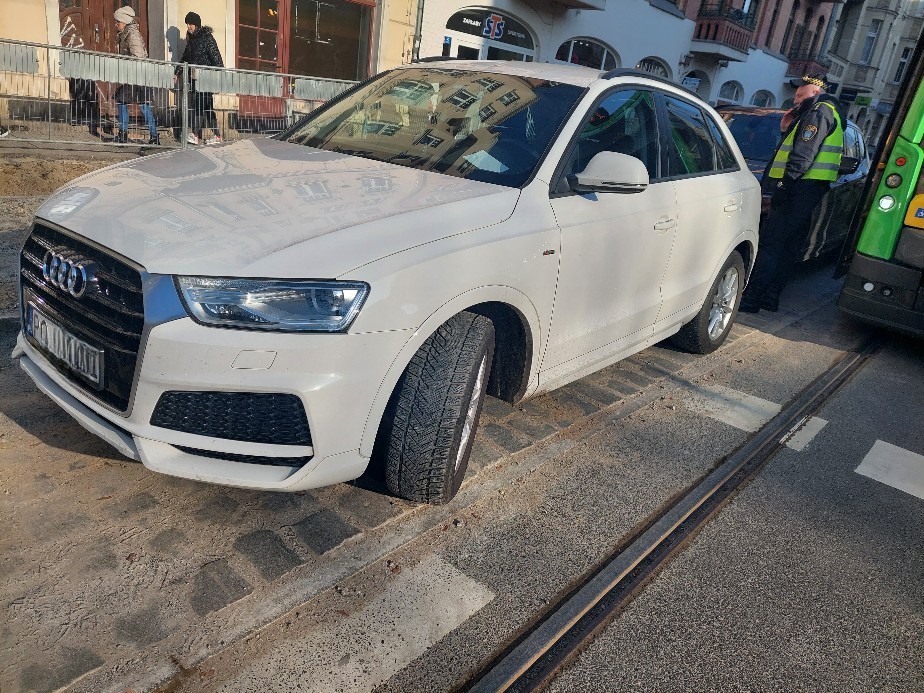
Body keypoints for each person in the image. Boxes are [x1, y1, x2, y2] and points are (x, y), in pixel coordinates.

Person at [740, 71, 845, 313]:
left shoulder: (818, 112)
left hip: (798, 188)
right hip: (807, 190)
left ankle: (752, 298)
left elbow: (802, 155)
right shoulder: (825, 111)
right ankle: (769, 297)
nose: (796, 99)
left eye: (800, 94)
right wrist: (786, 129)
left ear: (816, 92)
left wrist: (784, 186)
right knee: (788, 246)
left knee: (771, 243)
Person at [113, 5, 159, 144]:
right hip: (133, 75)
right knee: (124, 101)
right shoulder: (126, 33)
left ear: (125, 21)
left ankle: (152, 136)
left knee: (140, 104)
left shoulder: (132, 34)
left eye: (118, 22)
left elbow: (138, 56)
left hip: (138, 75)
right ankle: (127, 134)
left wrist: (126, 64)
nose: (116, 24)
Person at [176, 12, 224, 145]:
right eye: (187, 24)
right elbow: (185, 58)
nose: (188, 26)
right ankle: (217, 136)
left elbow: (218, 61)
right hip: (195, 80)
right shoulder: (191, 40)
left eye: (190, 24)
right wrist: (177, 73)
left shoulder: (207, 38)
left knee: (199, 107)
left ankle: (195, 134)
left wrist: (213, 77)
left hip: (206, 80)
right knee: (207, 109)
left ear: (196, 24)